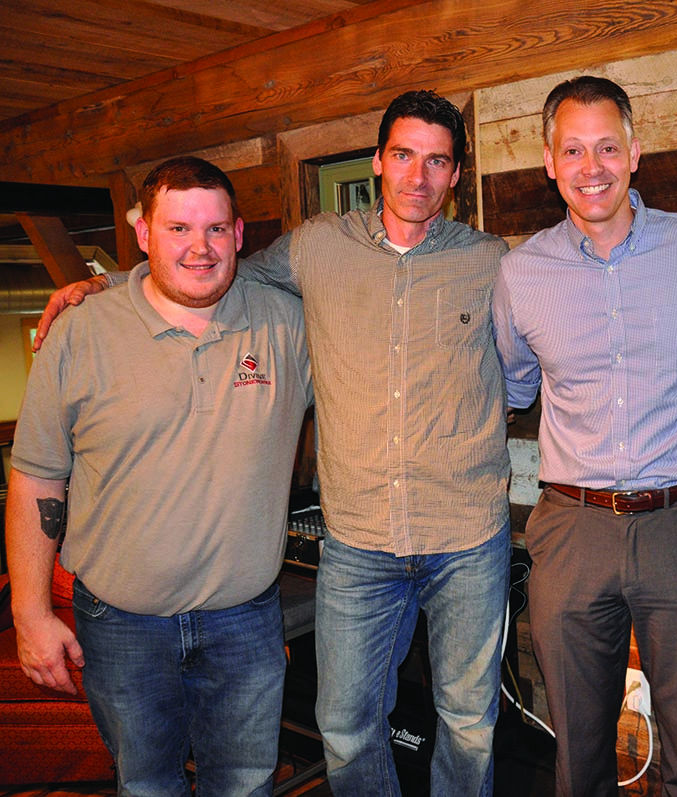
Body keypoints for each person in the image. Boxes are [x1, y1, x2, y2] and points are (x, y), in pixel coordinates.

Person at [33, 91, 512, 797]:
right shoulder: (316, 246)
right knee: (347, 729)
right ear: (378, 162)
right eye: (404, 155)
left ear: (456, 173)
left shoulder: (494, 261)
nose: (418, 176)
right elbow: (207, 269)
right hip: (358, 542)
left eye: (438, 160)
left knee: (469, 724)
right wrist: (102, 286)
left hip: (467, 536)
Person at [7, 156, 313, 795]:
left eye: (216, 230)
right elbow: (38, 478)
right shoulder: (81, 330)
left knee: (247, 786)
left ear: (238, 234)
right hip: (121, 626)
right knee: (146, 787)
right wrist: (30, 611)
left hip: (245, 623)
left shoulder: (287, 323)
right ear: (143, 232)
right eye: (178, 229)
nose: (200, 248)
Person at [492, 76, 677, 797]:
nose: (592, 166)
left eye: (607, 146)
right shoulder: (520, 273)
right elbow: (515, 387)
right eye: (573, 149)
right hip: (572, 528)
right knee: (577, 748)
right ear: (549, 161)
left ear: (634, 152)